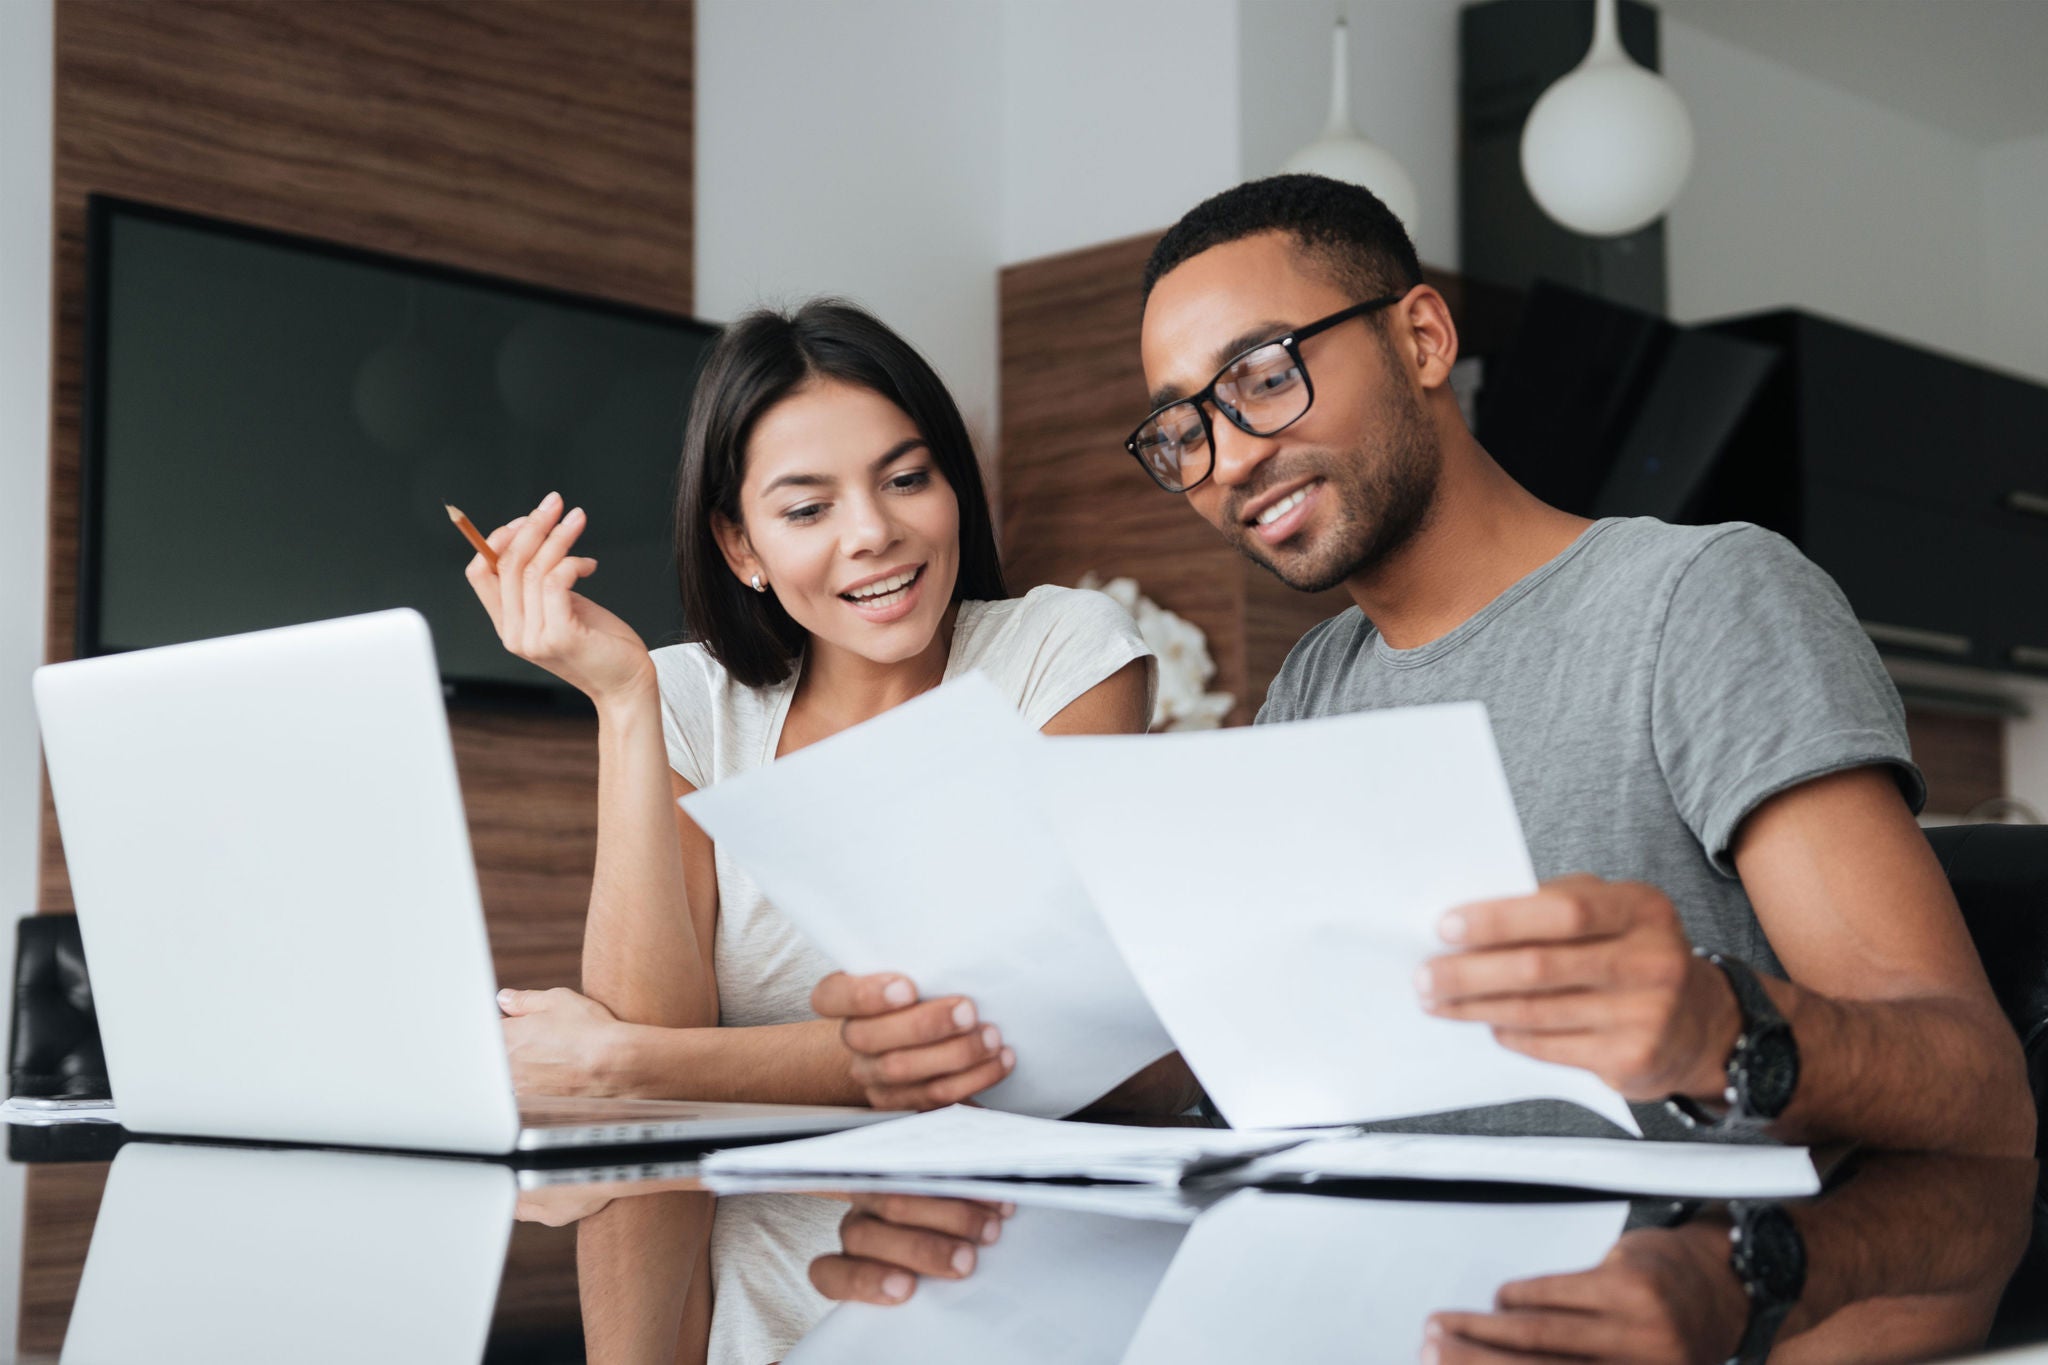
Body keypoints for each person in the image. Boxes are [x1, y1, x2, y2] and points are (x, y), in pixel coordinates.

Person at [814, 174, 2034, 1160]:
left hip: (1691, 1290)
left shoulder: (1699, 599)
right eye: (1182, 430)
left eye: (1261, 377)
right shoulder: (1312, 683)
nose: (1227, 459)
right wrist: (986, 1048)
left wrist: (1722, 1029)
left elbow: (1975, 1086)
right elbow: (1264, 1072)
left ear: (1421, 336)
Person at [461, 298, 1167, 1364]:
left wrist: (615, 1063)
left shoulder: (1059, 655)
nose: (872, 532)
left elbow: (1008, 1043)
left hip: (1009, 1300)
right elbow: (654, 1056)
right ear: (739, 546)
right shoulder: (687, 699)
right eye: (806, 508)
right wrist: (619, 702)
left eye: (905, 477)